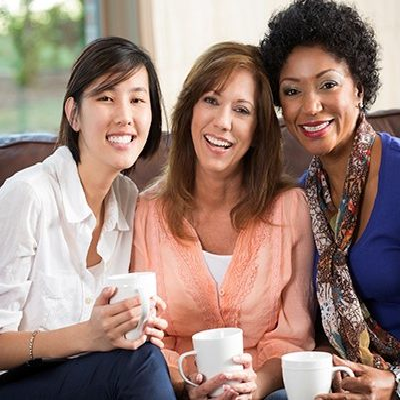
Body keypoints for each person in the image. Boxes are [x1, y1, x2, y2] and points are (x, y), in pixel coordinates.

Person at [131, 41, 315, 400]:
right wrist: (189, 384)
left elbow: (294, 336)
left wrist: (256, 385)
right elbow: (146, 338)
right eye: (211, 100)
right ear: (189, 112)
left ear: (258, 130)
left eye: (242, 110)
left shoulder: (290, 208)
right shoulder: (146, 212)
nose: (223, 122)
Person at [0, 37, 176, 399]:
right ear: (74, 114)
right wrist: (87, 335)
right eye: (106, 97)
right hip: (16, 385)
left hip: (85, 379)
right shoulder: (29, 195)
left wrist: (133, 324)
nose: (125, 115)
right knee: (141, 363)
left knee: (145, 353)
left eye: (138, 100)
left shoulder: (129, 201)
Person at [260, 0, 400, 398]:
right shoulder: (301, 201)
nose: (310, 106)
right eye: (292, 91)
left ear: (360, 88)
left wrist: (394, 385)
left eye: (328, 83)